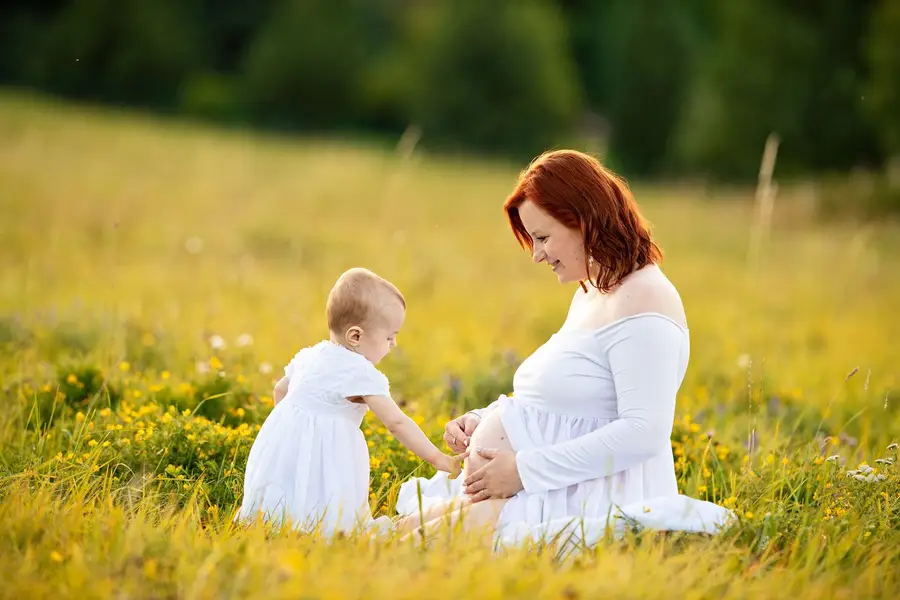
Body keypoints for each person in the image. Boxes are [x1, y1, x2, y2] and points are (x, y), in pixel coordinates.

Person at [395, 150, 735, 549]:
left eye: (542, 237)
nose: (537, 254)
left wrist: (524, 469)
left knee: (403, 551)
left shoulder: (644, 298)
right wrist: (481, 417)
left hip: (578, 499)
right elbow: (567, 402)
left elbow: (644, 431)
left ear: (584, 221)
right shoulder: (595, 290)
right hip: (536, 490)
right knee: (385, 536)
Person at [236, 267, 465, 536]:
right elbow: (396, 422)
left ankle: (273, 522)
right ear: (355, 336)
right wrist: (438, 458)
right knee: (328, 507)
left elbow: (280, 390)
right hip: (329, 456)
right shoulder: (361, 373)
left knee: (287, 497)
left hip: (279, 448)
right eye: (389, 337)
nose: (392, 345)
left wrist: (291, 432)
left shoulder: (310, 355)